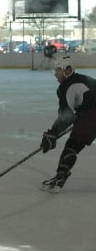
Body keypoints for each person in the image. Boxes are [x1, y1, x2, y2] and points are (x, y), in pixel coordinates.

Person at [39, 56, 96, 192]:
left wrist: (52, 133)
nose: (55, 74)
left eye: (58, 70)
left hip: (92, 114)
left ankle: (60, 176)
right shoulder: (82, 78)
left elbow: (66, 116)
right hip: (90, 112)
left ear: (68, 70)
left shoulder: (66, 86)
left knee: (73, 145)